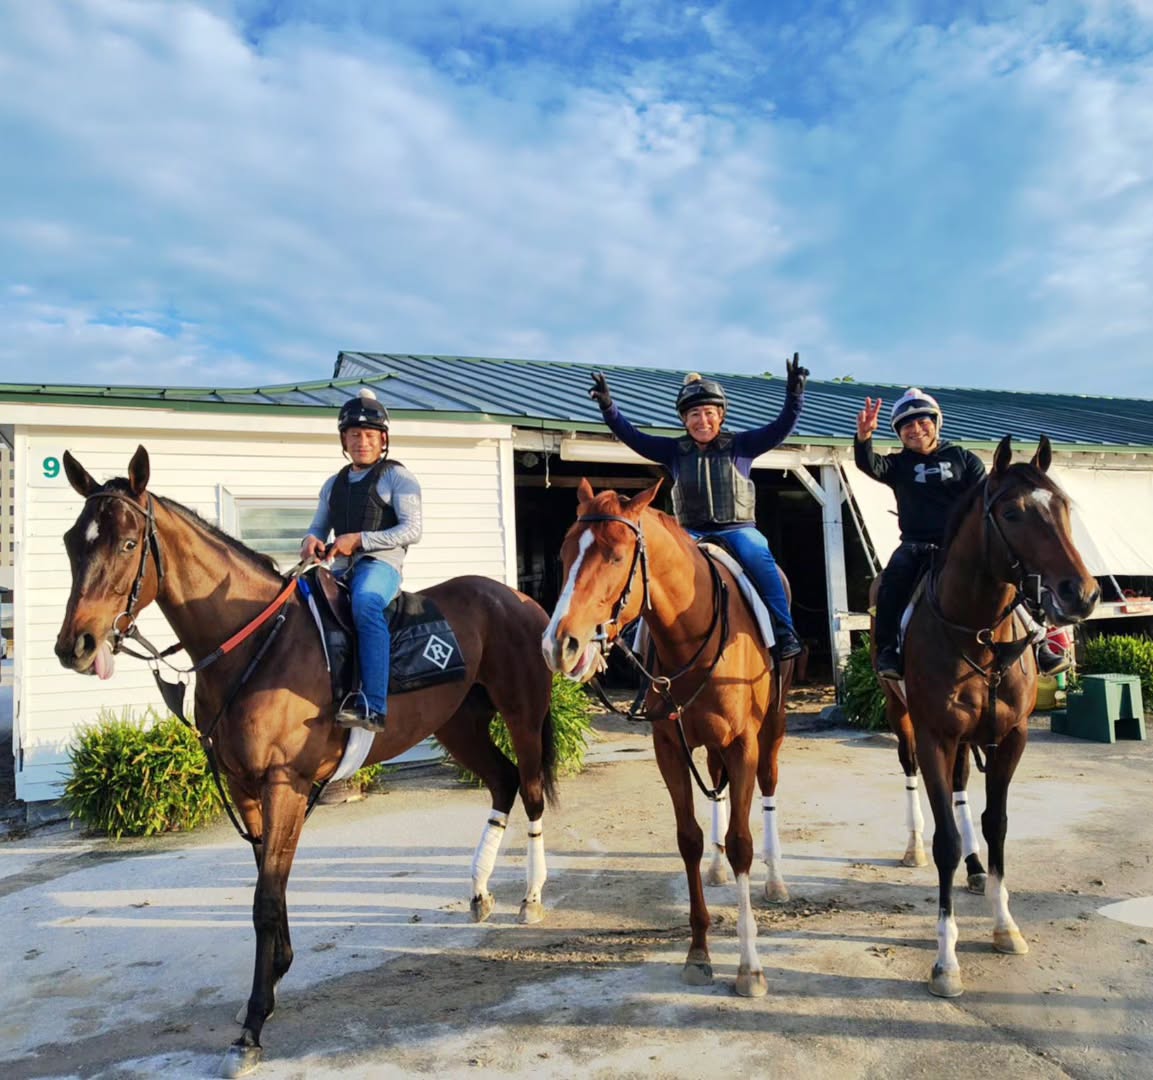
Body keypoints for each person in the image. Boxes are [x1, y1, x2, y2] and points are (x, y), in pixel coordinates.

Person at [588, 355, 807, 661]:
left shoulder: (742, 446)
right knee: (652, 566)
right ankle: (640, 640)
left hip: (738, 529)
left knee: (759, 556)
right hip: (690, 531)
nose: (702, 421)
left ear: (721, 417)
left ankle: (784, 631)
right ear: (684, 420)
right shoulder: (673, 451)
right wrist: (608, 408)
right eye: (694, 414)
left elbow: (781, 427)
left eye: (708, 413)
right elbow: (632, 436)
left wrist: (795, 396)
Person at [855, 388, 1070, 681]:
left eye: (922, 421)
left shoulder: (963, 458)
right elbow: (868, 464)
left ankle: (1040, 642)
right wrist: (864, 438)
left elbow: (984, 499)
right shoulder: (896, 464)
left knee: (1015, 578)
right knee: (890, 586)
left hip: (961, 547)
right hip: (917, 546)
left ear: (936, 423)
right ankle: (889, 650)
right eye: (907, 425)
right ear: (898, 433)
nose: (916, 429)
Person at [300, 388, 423, 731]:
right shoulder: (332, 484)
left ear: (383, 440)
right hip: (339, 570)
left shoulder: (398, 477)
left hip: (381, 566)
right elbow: (318, 527)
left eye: (370, 435)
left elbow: (412, 529)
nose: (362, 442)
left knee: (366, 603)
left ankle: (373, 705)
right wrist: (310, 541)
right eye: (355, 435)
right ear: (344, 439)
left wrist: (360, 540)